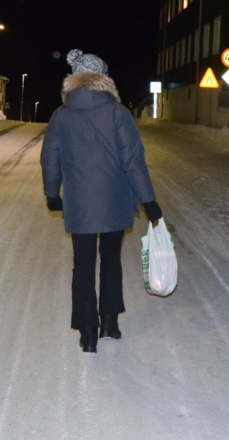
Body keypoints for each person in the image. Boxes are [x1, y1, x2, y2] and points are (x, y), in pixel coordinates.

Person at [40, 49, 163, 354]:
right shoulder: (119, 114)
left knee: (82, 264)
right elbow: (134, 161)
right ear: (104, 80)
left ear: (75, 82)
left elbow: (50, 159)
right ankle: (109, 322)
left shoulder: (61, 115)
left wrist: (52, 193)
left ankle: (87, 332)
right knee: (110, 259)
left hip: (79, 203)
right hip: (115, 200)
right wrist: (148, 201)